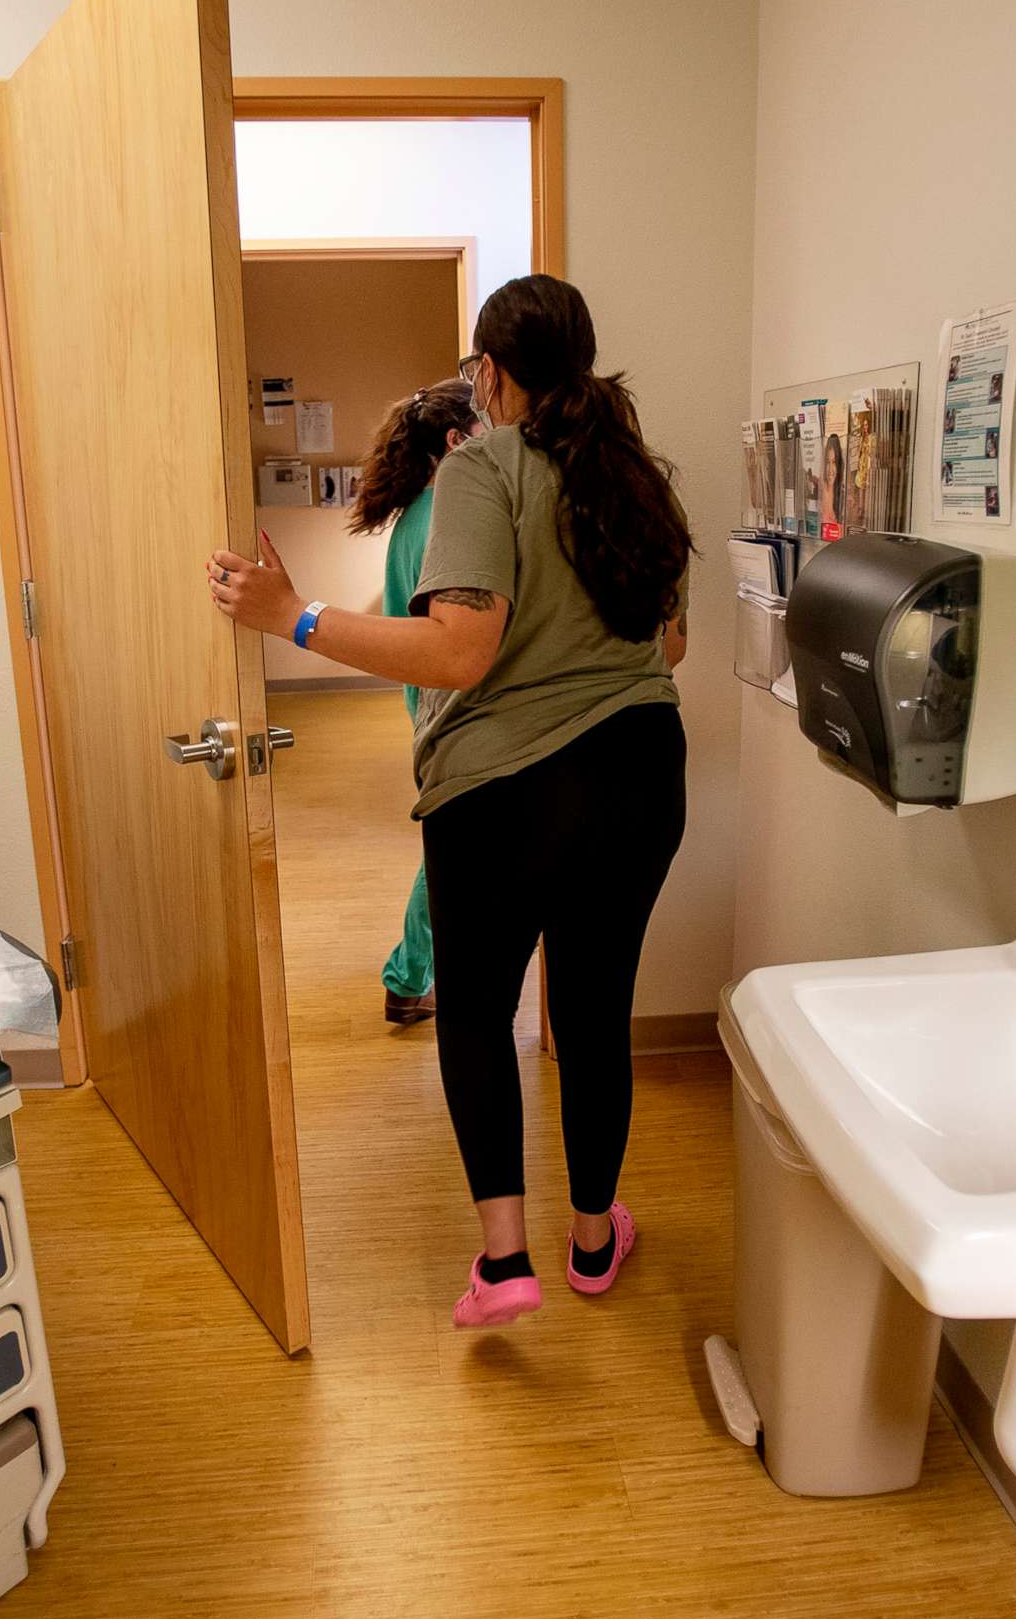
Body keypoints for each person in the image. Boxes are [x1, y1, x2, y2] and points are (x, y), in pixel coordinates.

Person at [209, 273, 691, 1329]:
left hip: (510, 793)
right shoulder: (640, 479)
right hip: (642, 775)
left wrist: (294, 617)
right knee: (593, 1013)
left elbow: (460, 653)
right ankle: (597, 1240)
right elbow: (672, 646)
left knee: (476, 1010)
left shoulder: (488, 466)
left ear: (491, 373)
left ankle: (506, 1263)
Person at [347, 378, 485, 1026]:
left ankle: (411, 976)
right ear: (456, 441)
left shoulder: (414, 518)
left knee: (452, 845)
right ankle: (407, 977)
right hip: (455, 706)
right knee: (450, 850)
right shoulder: (446, 520)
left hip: (429, 703)